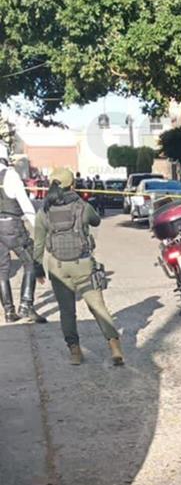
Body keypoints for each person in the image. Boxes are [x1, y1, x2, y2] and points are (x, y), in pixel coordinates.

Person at [33, 167, 123, 366]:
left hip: (57, 267)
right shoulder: (82, 206)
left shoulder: (44, 211)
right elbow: (96, 221)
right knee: (97, 306)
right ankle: (115, 347)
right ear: (72, 185)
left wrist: (38, 269)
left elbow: (38, 243)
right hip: (83, 264)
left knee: (67, 311)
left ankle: (75, 352)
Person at [0, 152, 47, 323]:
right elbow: (25, 204)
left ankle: (9, 311)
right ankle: (26, 306)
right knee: (31, 262)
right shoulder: (10, 175)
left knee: (1, 269)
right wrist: (37, 227)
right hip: (12, 225)